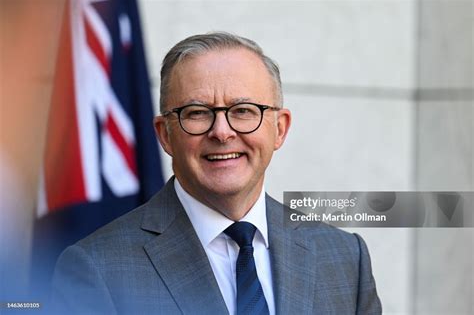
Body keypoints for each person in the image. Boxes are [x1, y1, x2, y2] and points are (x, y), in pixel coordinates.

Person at [52, 32, 382, 314]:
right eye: (197, 113)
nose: (222, 132)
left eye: (243, 111)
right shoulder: (96, 268)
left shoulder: (344, 258)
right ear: (165, 134)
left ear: (279, 129)